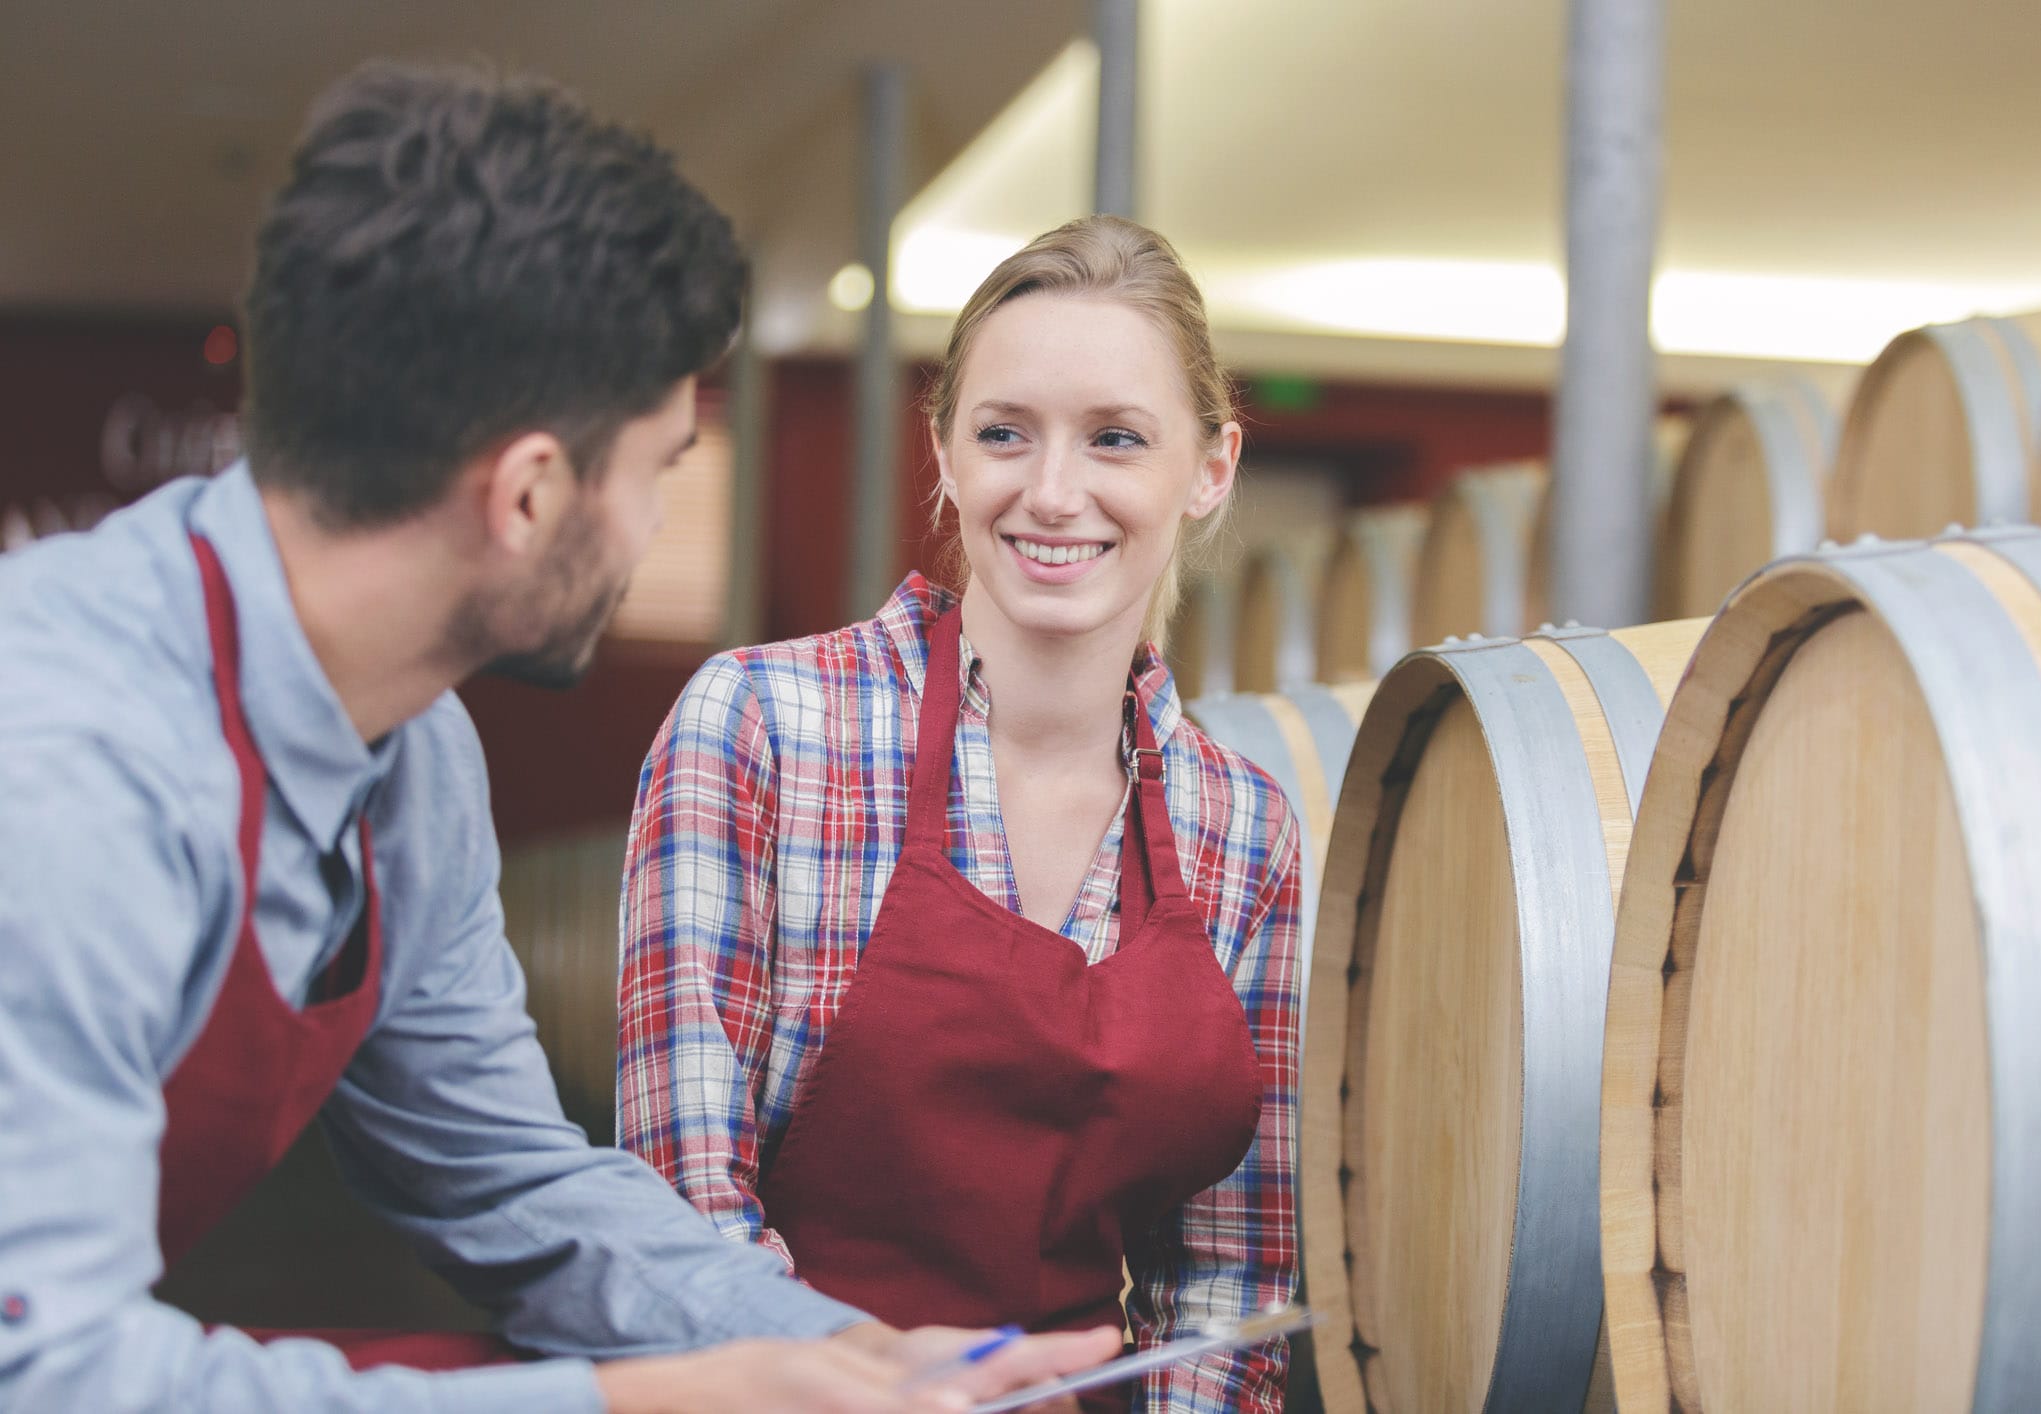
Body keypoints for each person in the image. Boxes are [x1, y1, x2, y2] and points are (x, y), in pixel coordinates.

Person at [0, 61, 1116, 1413]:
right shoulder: (65, 769)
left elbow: (506, 1175)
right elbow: (50, 1376)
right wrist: (659, 1401)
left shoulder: (409, 757)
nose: (651, 530)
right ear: (530, 493)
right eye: (659, 469)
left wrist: (850, 1356)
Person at [618, 215, 1301, 1413]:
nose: (1052, 492)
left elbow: (1232, 1273)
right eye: (1003, 433)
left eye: (1115, 439)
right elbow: (687, 1215)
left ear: (1210, 470)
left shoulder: (1244, 830)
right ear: (942, 452)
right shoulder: (763, 728)